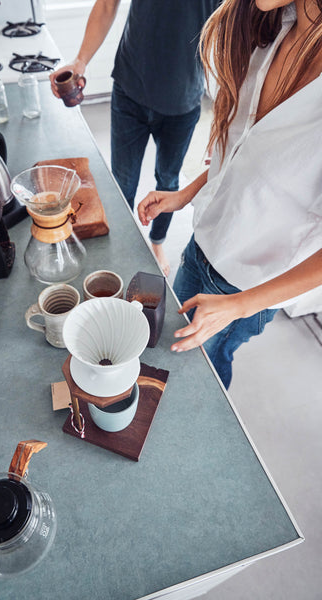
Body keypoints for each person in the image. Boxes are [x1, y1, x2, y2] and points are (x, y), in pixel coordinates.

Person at [138, 0, 322, 389]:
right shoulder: (272, 32)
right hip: (202, 244)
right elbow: (243, 154)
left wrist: (239, 306)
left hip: (246, 284)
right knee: (171, 353)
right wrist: (184, 193)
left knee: (203, 376)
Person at [50, 0, 219, 276]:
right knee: (122, 182)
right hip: (129, 90)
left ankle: (157, 242)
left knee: (167, 180)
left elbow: (233, 41)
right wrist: (80, 60)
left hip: (182, 102)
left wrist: (224, 121)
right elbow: (106, 5)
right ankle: (118, 246)